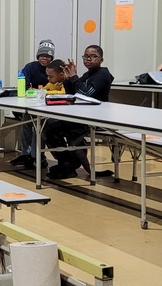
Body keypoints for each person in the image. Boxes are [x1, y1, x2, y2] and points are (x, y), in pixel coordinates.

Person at [44, 45, 113, 180]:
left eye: (93, 56)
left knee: (51, 128)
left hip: (95, 119)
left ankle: (68, 165)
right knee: (48, 126)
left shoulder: (103, 74)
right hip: (82, 116)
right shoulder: (88, 75)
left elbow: (86, 94)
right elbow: (73, 94)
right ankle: (66, 163)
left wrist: (74, 77)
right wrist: (68, 79)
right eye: (86, 56)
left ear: (101, 59)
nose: (88, 59)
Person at [10, 39, 54, 169]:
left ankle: (38, 156)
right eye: (41, 55)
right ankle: (26, 155)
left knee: (38, 127)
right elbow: (24, 86)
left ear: (51, 57)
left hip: (47, 106)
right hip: (29, 104)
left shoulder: (54, 69)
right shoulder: (30, 67)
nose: (44, 58)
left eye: (47, 56)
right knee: (25, 123)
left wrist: (39, 91)